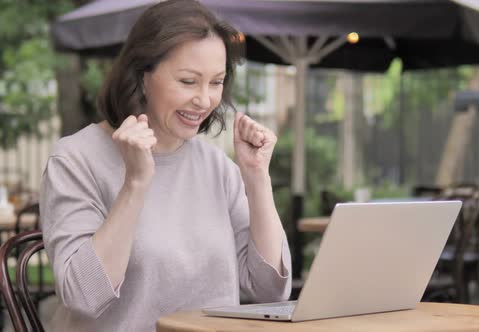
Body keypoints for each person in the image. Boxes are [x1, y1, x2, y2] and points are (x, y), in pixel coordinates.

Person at [40, 1, 291, 330]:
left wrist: (257, 178)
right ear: (142, 76)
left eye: (216, 82)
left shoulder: (217, 166)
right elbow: (84, 297)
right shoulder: (74, 160)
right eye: (188, 81)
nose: (205, 100)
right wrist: (136, 183)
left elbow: (270, 290)